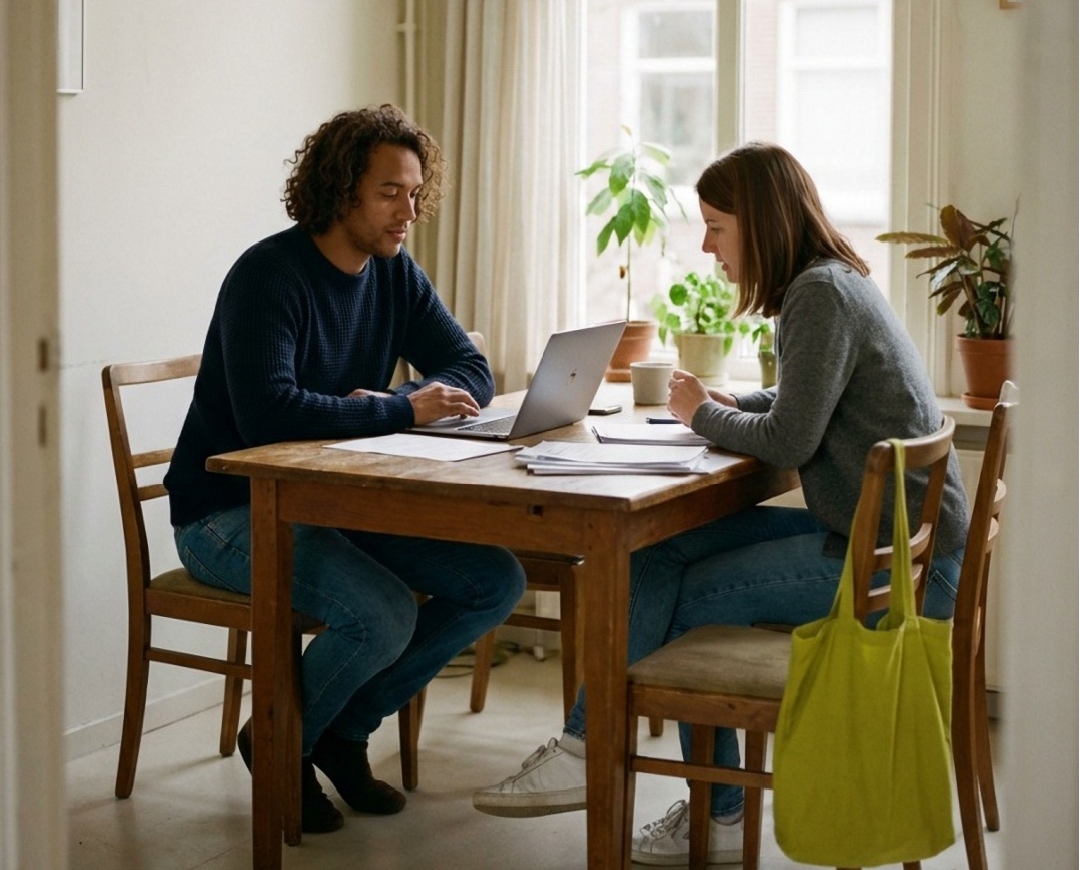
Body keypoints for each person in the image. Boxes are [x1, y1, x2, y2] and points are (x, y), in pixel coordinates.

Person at [472, 141, 969, 866]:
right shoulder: (836, 281)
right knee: (654, 549)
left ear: (761, 223)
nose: (707, 246)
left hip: (893, 567)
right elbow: (812, 400)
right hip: (895, 541)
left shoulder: (817, 294)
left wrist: (702, 415)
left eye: (716, 226)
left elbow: (792, 438)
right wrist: (735, 401)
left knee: (679, 599)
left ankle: (706, 807)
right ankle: (599, 752)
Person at [165, 104, 526, 833]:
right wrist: (399, 411)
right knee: (382, 613)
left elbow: (470, 368)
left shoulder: (394, 274)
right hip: (225, 511)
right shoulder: (268, 275)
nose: (410, 211)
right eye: (392, 192)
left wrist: (394, 400)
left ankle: (336, 731)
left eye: (416, 193)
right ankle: (280, 742)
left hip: (327, 502)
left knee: (495, 581)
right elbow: (270, 415)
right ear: (342, 191)